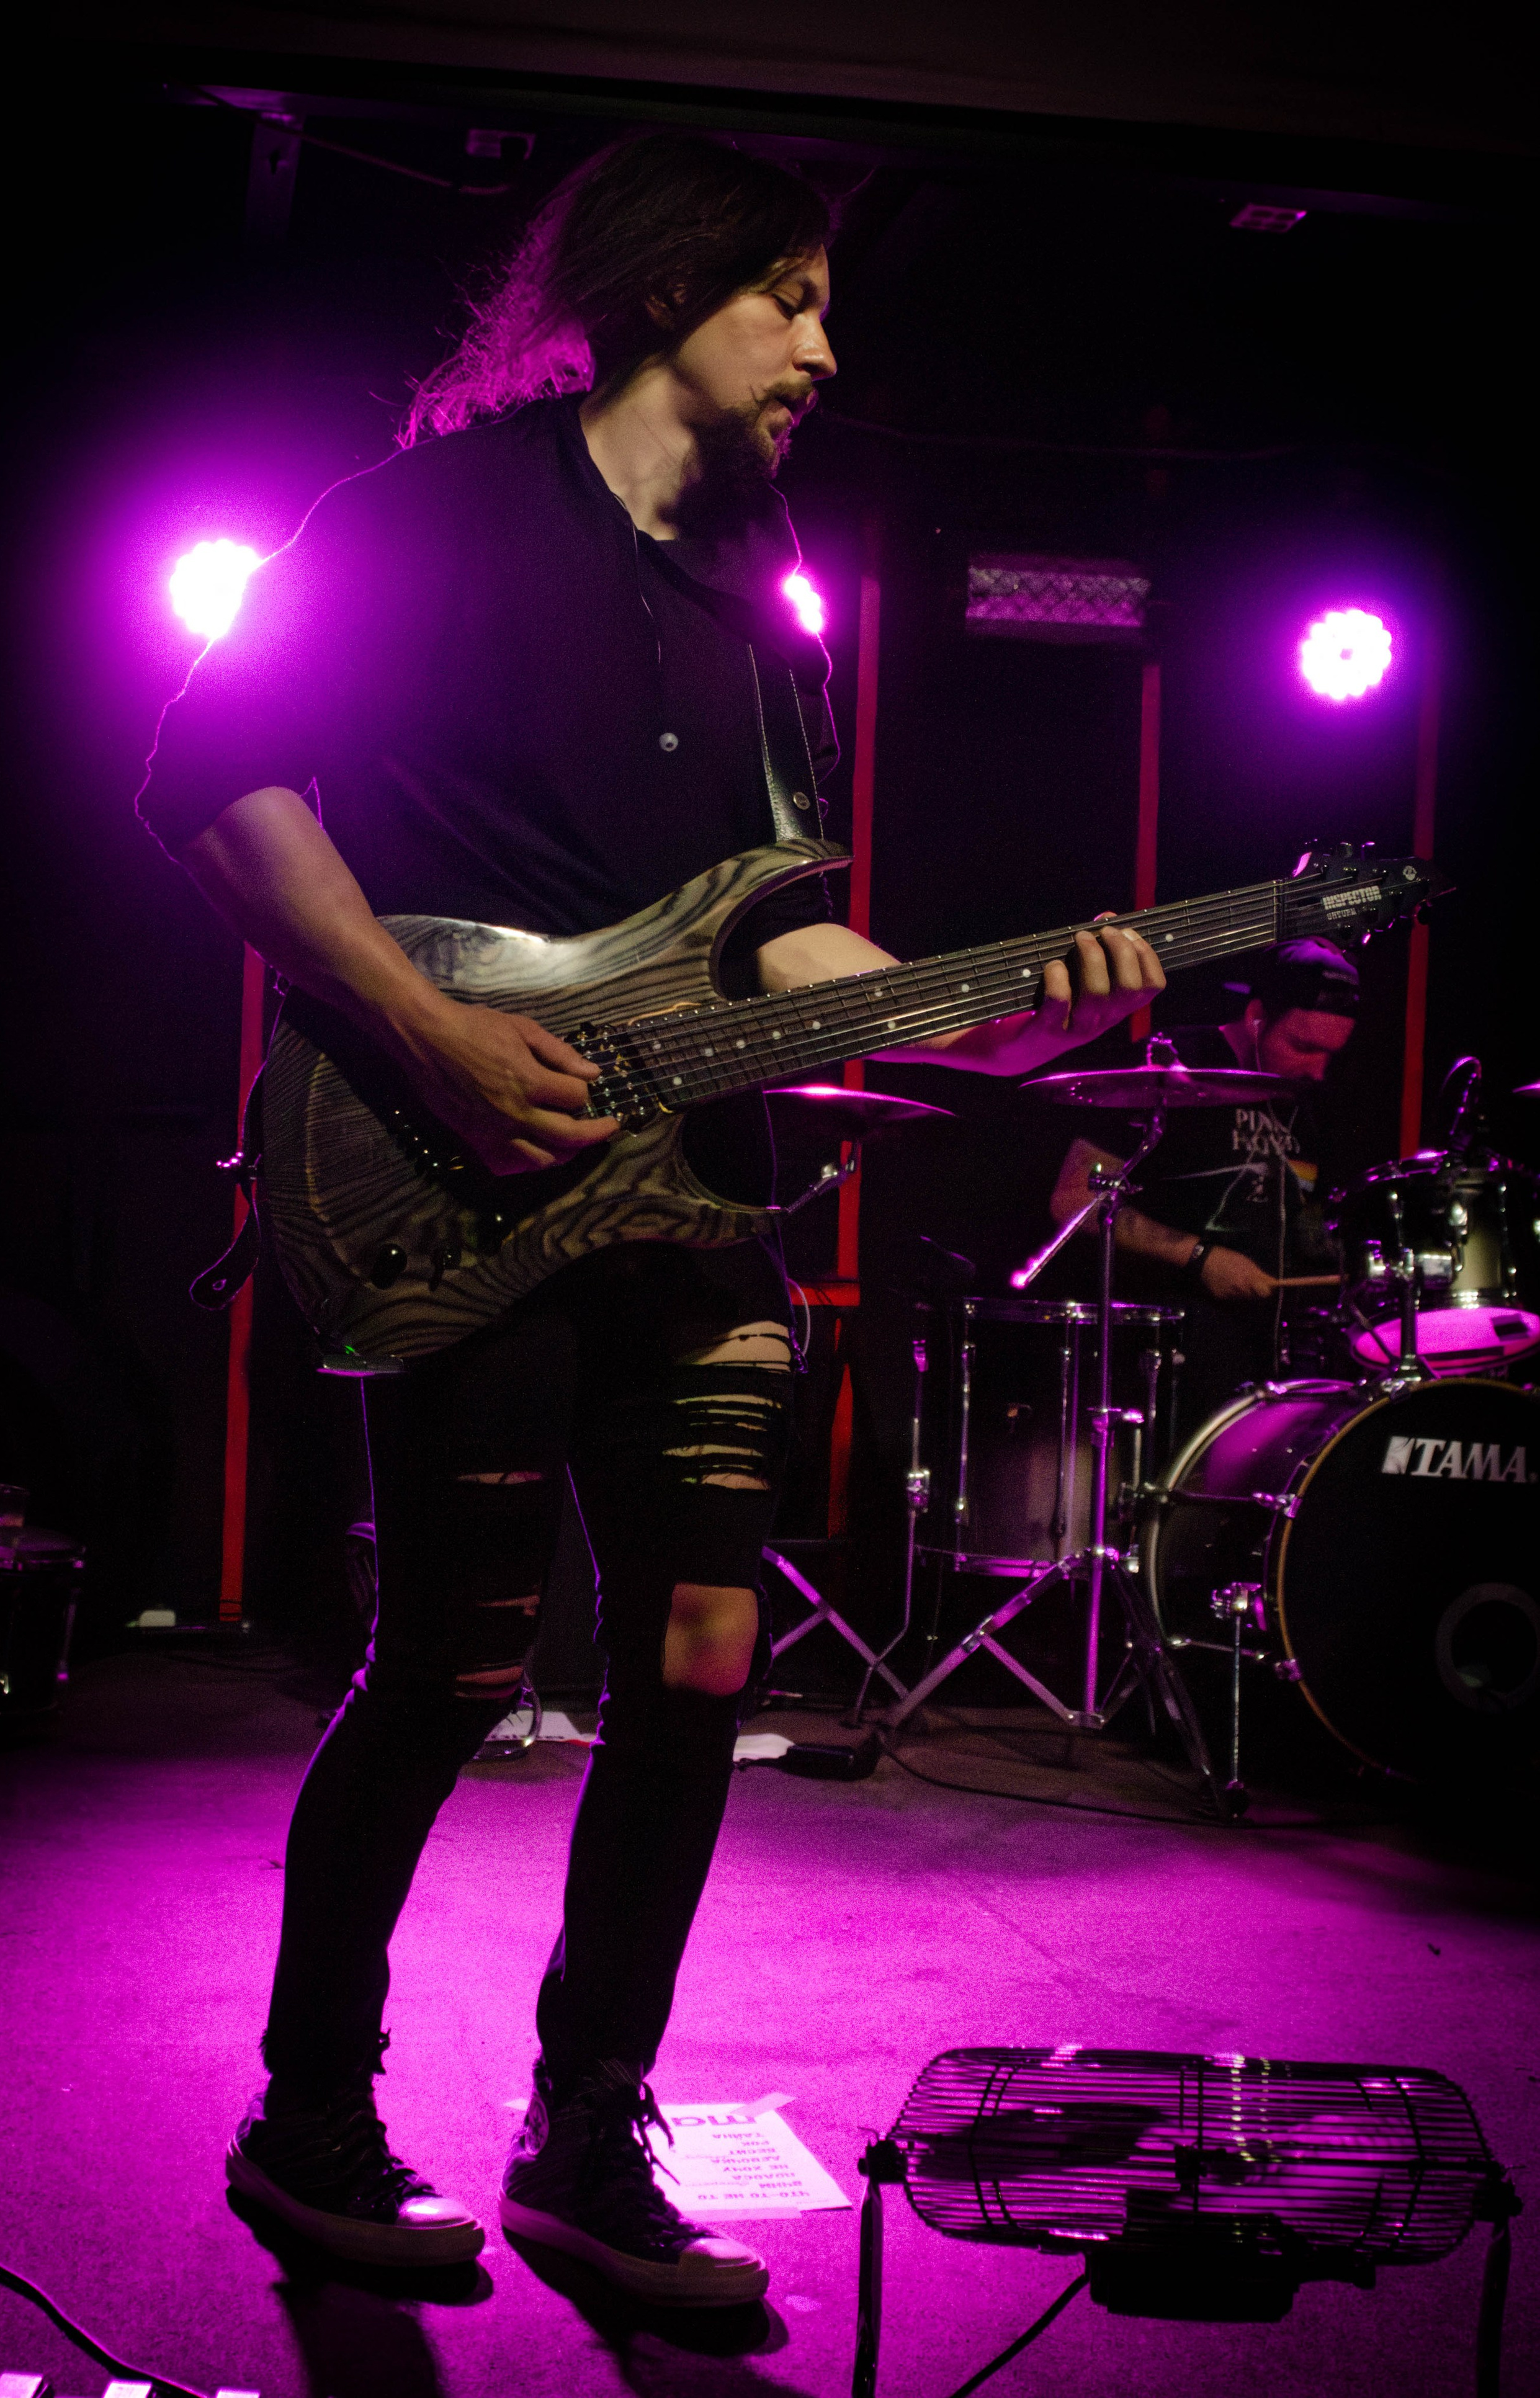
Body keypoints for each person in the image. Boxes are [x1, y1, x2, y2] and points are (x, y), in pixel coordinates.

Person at [138, 133, 1164, 2303]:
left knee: (708, 1644)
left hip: (690, 1189)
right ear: (667, 284)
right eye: (788, 293)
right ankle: (309, 2107)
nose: (824, 340)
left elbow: (777, 947)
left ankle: (587, 2130)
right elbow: (214, 783)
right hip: (448, 1159)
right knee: (456, 1658)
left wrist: (999, 1027)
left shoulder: (763, 604)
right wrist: (424, 1034)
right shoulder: (420, 522)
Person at [1048, 939, 1359, 1433]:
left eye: (1331, 1053)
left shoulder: (1313, 1100)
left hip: (1278, 1362)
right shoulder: (1171, 1063)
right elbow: (1074, 1198)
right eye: (1303, 1046)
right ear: (1257, 1015)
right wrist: (1200, 1256)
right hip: (1167, 1355)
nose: (1317, 1069)